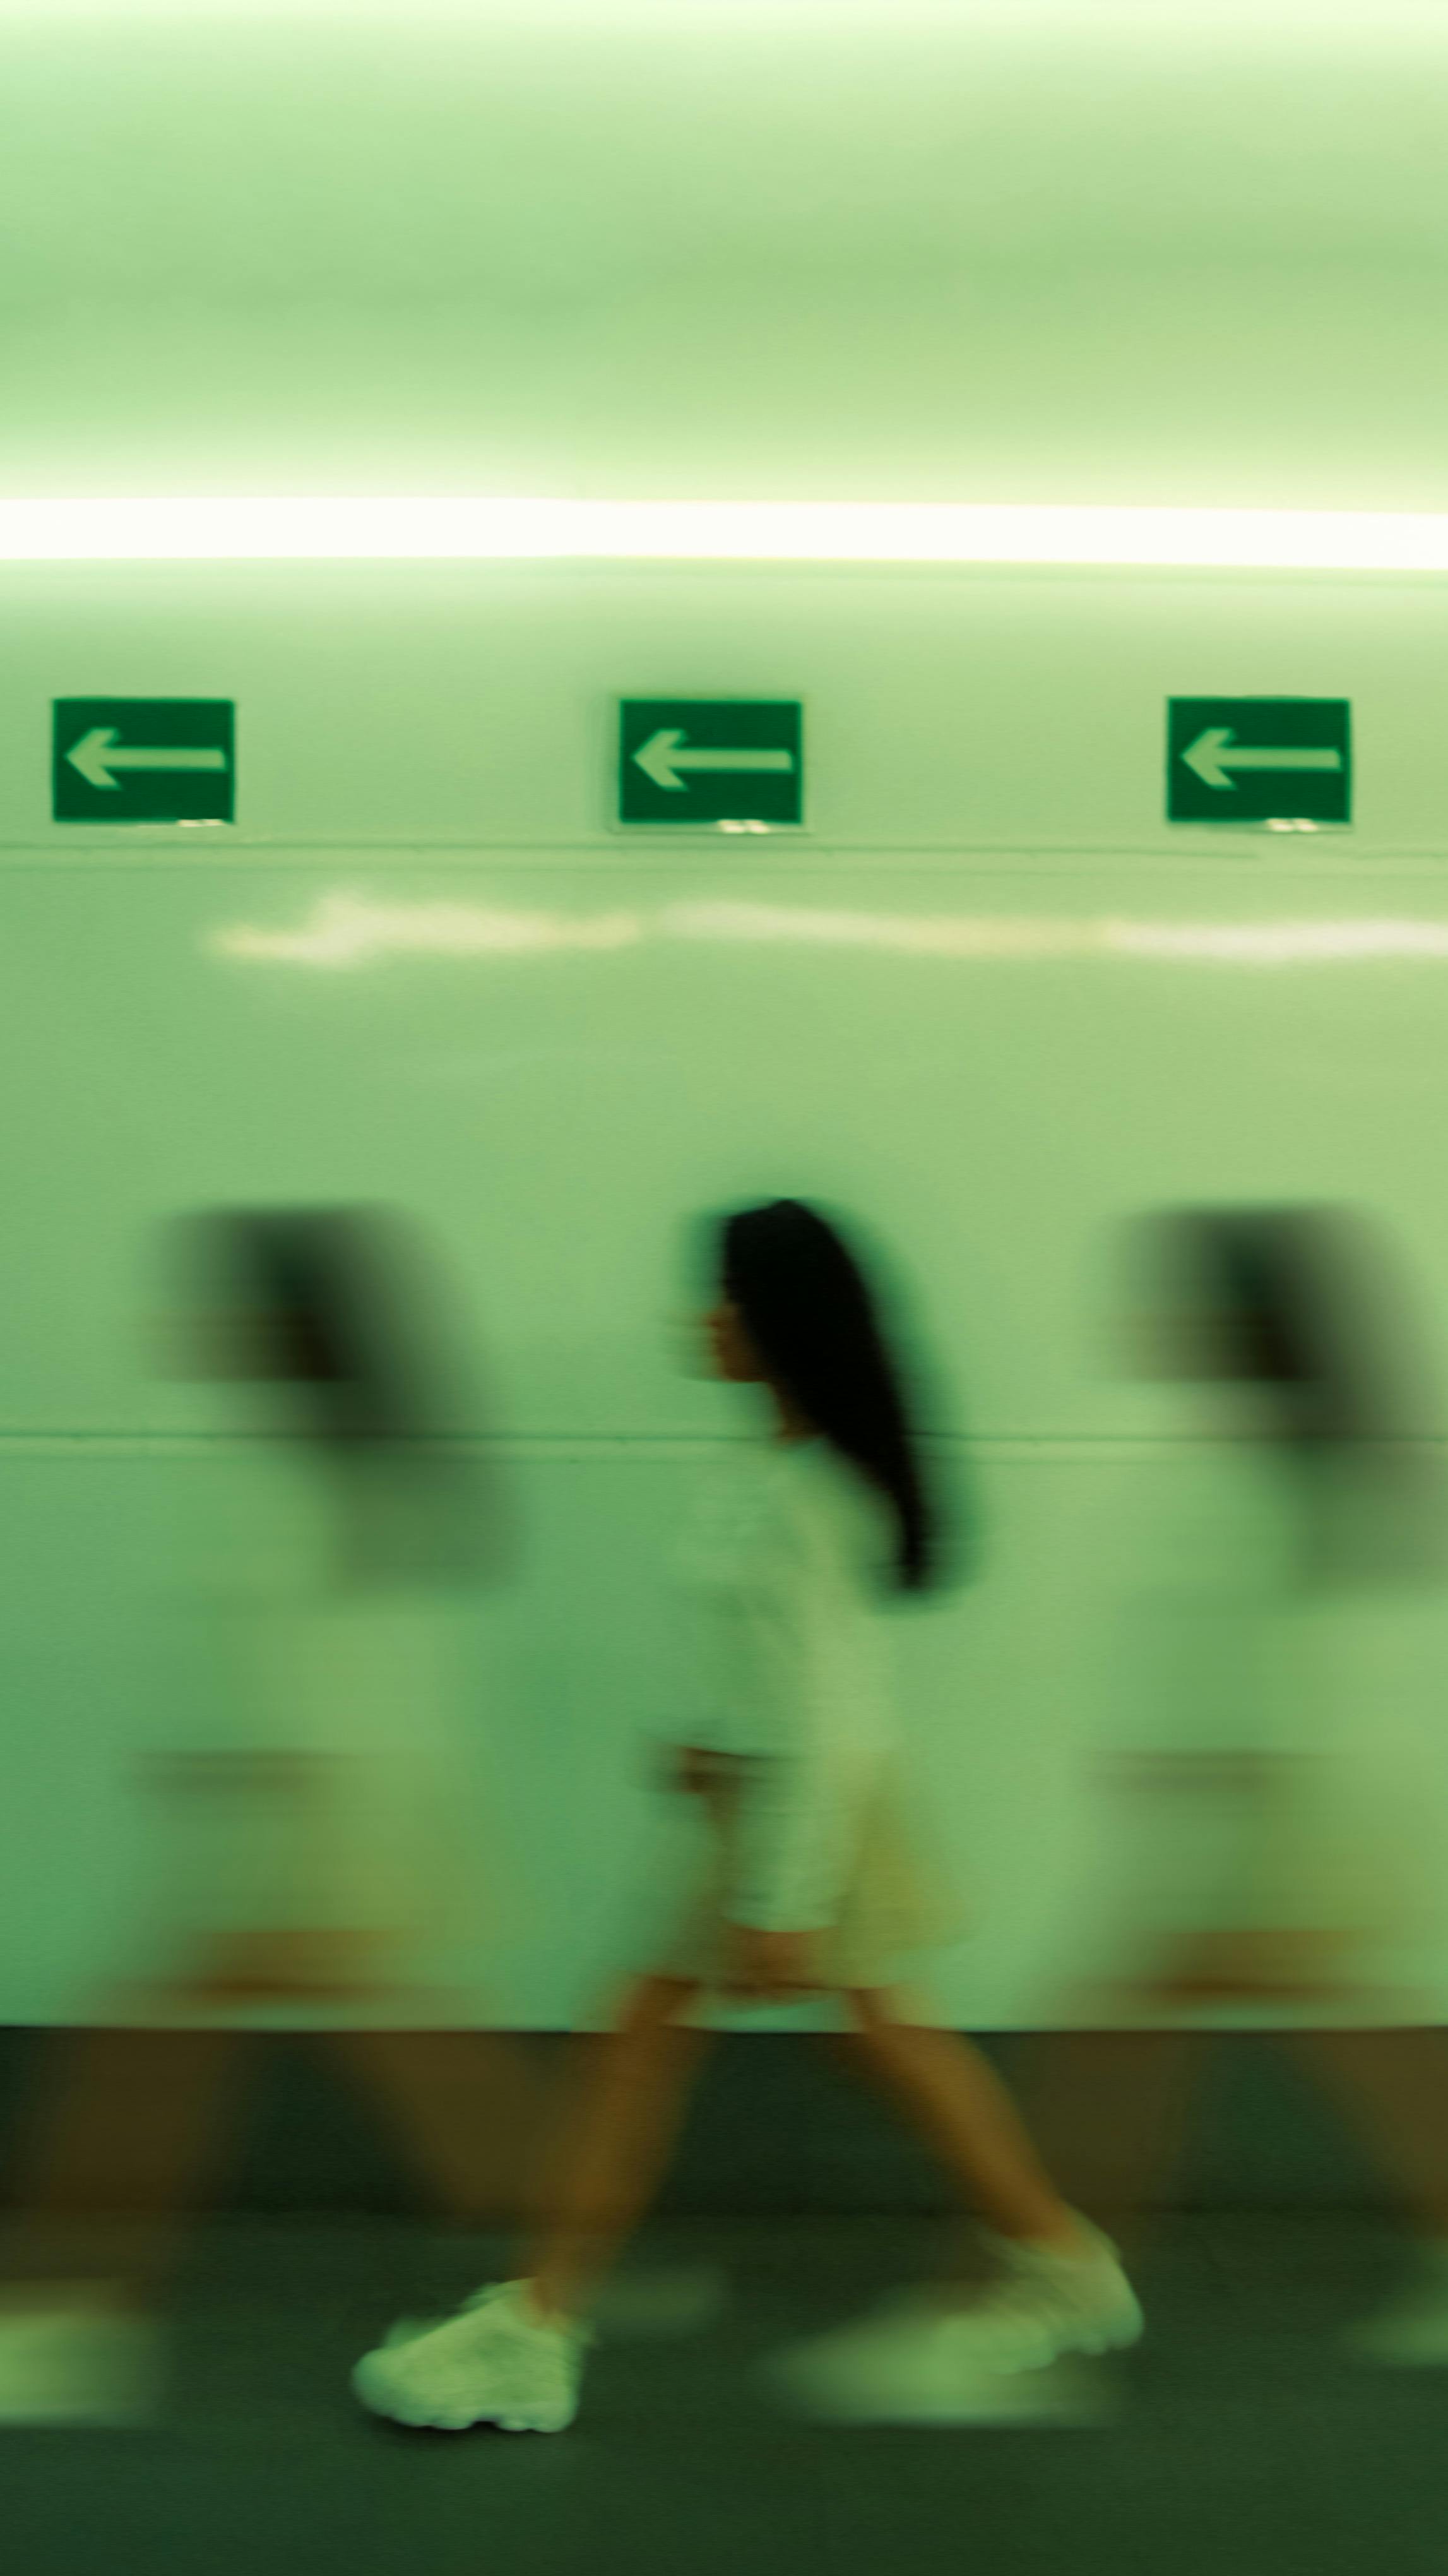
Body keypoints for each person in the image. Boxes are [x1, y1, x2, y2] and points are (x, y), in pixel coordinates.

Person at [352, 1197, 1142, 2435]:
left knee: (685, 2043)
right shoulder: (773, 1473)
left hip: (803, 1814)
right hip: (765, 1801)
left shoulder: (808, 1496)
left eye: (724, 1296)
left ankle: (540, 2327)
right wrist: (711, 1745)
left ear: (778, 1319)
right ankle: (1054, 2260)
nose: (701, 1320)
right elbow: (779, 1675)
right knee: (843, 2036)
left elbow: (823, 1712)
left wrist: (782, 1895)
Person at [0, 1207, 542, 2427]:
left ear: (279, 1323)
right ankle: (576, 2256)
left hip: (310, 1815)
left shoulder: (296, 1467)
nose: (199, 1323)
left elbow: (308, 1669)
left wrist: (246, 1785)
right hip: (359, 1805)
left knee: (145, 2057)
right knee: (417, 2058)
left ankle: (73, 2309)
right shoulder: (354, 1455)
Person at [1018, 1205, 1448, 2361]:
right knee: (1345, 2044)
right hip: (1292, 1806)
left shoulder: (1265, 1469)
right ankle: (1053, 2276)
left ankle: (1050, 2283)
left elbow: (1259, 1670)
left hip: (1276, 1813)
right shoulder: (1283, 1455)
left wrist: (1190, 1789)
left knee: (1117, 2040)